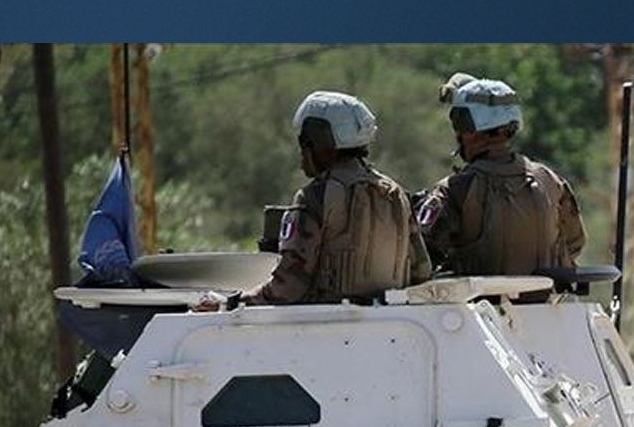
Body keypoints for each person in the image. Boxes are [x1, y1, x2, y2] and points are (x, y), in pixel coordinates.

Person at [193, 90, 429, 311]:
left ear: (321, 144)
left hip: (322, 331)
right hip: (392, 328)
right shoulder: (396, 195)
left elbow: (287, 289)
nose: (302, 152)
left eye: (306, 143)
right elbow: (422, 272)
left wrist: (231, 302)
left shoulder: (315, 198)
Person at [416, 75, 586, 276]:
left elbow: (420, 255)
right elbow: (575, 243)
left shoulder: (455, 189)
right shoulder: (549, 180)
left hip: (475, 306)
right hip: (545, 303)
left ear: (467, 129)